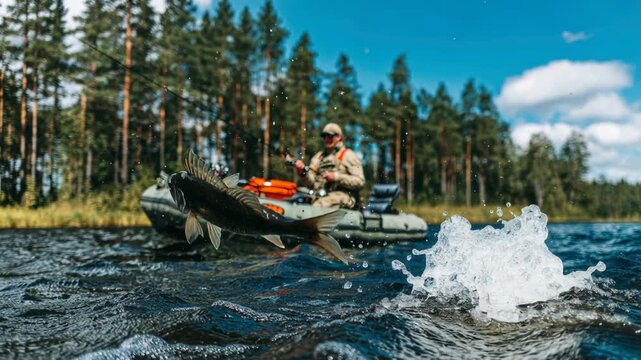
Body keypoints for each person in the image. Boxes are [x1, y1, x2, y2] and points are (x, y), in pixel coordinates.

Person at [294, 123, 365, 208]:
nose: (326, 139)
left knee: (319, 206)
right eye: (324, 136)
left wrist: (337, 177)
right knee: (296, 201)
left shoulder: (348, 155)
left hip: (344, 198)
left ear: (339, 137)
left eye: (330, 136)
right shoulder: (318, 157)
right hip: (320, 196)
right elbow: (311, 183)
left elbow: (360, 181)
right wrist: (303, 172)